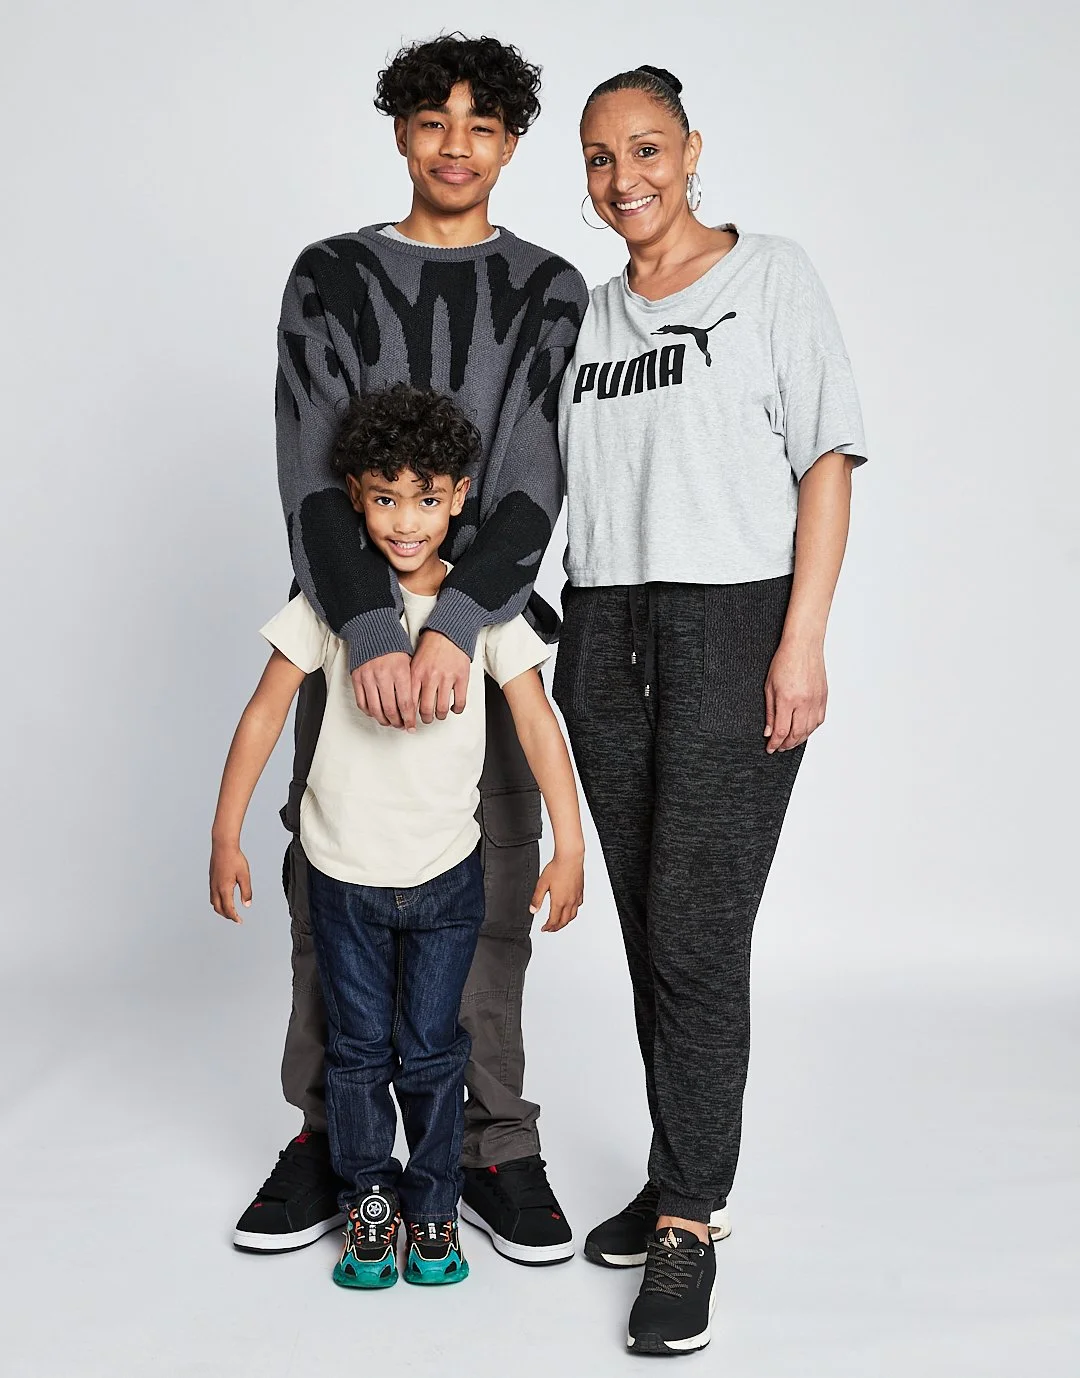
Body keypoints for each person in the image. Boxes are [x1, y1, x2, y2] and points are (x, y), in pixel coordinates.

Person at [232, 34, 588, 1264]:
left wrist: (456, 625)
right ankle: (335, 1138)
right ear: (398, 131)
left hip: (478, 639)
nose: (455, 144)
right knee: (327, 886)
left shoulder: (551, 287)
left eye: (482, 124)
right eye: (431, 120)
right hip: (348, 636)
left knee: (485, 890)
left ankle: (492, 1142)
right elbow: (310, 462)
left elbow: (535, 472)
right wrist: (375, 627)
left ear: (511, 142)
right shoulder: (328, 275)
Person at [555, 66, 868, 1355]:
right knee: (652, 926)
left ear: (691, 150)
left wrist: (801, 641)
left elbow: (828, 460)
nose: (623, 179)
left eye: (645, 149)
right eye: (596, 158)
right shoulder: (585, 316)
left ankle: (689, 1219)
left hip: (733, 622)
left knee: (696, 923)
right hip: (602, 628)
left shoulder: (771, 277)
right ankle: (679, 1162)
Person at [210, 384, 585, 1290]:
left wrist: (571, 848)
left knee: (432, 1049)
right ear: (354, 497)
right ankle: (369, 1197)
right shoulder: (333, 605)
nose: (405, 521)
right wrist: (226, 835)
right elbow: (263, 716)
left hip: (447, 881)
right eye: (384, 498)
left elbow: (539, 727)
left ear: (460, 497)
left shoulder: (482, 611)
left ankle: (433, 1201)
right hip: (341, 879)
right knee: (358, 1049)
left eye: (426, 498)